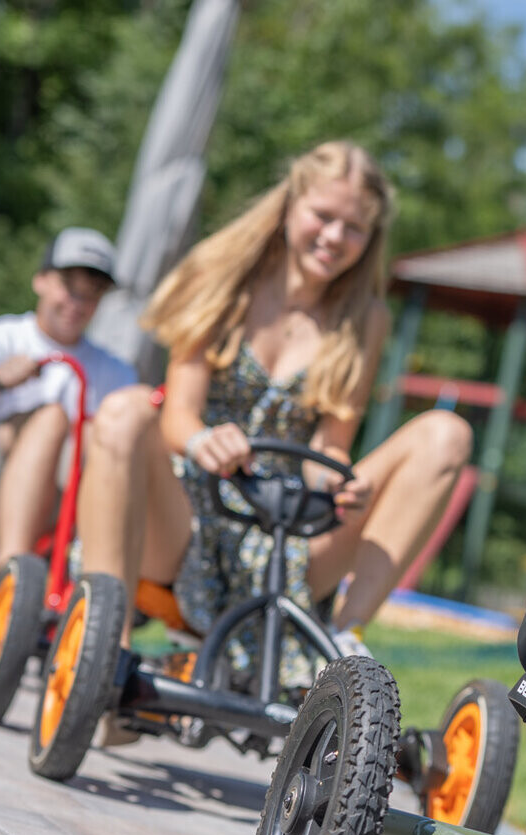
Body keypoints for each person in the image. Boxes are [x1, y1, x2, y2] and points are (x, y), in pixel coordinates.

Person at [75, 139, 471, 672]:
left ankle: (343, 646)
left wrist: (336, 482)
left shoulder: (365, 318)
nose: (334, 237)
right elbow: (178, 416)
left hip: (284, 533)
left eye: (354, 228)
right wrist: (203, 442)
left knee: (447, 434)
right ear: (290, 205)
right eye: (323, 216)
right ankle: (104, 652)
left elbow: (328, 446)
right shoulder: (222, 275)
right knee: (125, 409)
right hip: (189, 516)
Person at [0, 227, 138, 567]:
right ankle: (14, 573)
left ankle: (103, 574)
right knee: (49, 420)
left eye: (91, 294)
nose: (77, 304)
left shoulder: (116, 372)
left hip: (58, 507)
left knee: (105, 434)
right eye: (69, 287)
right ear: (41, 281)